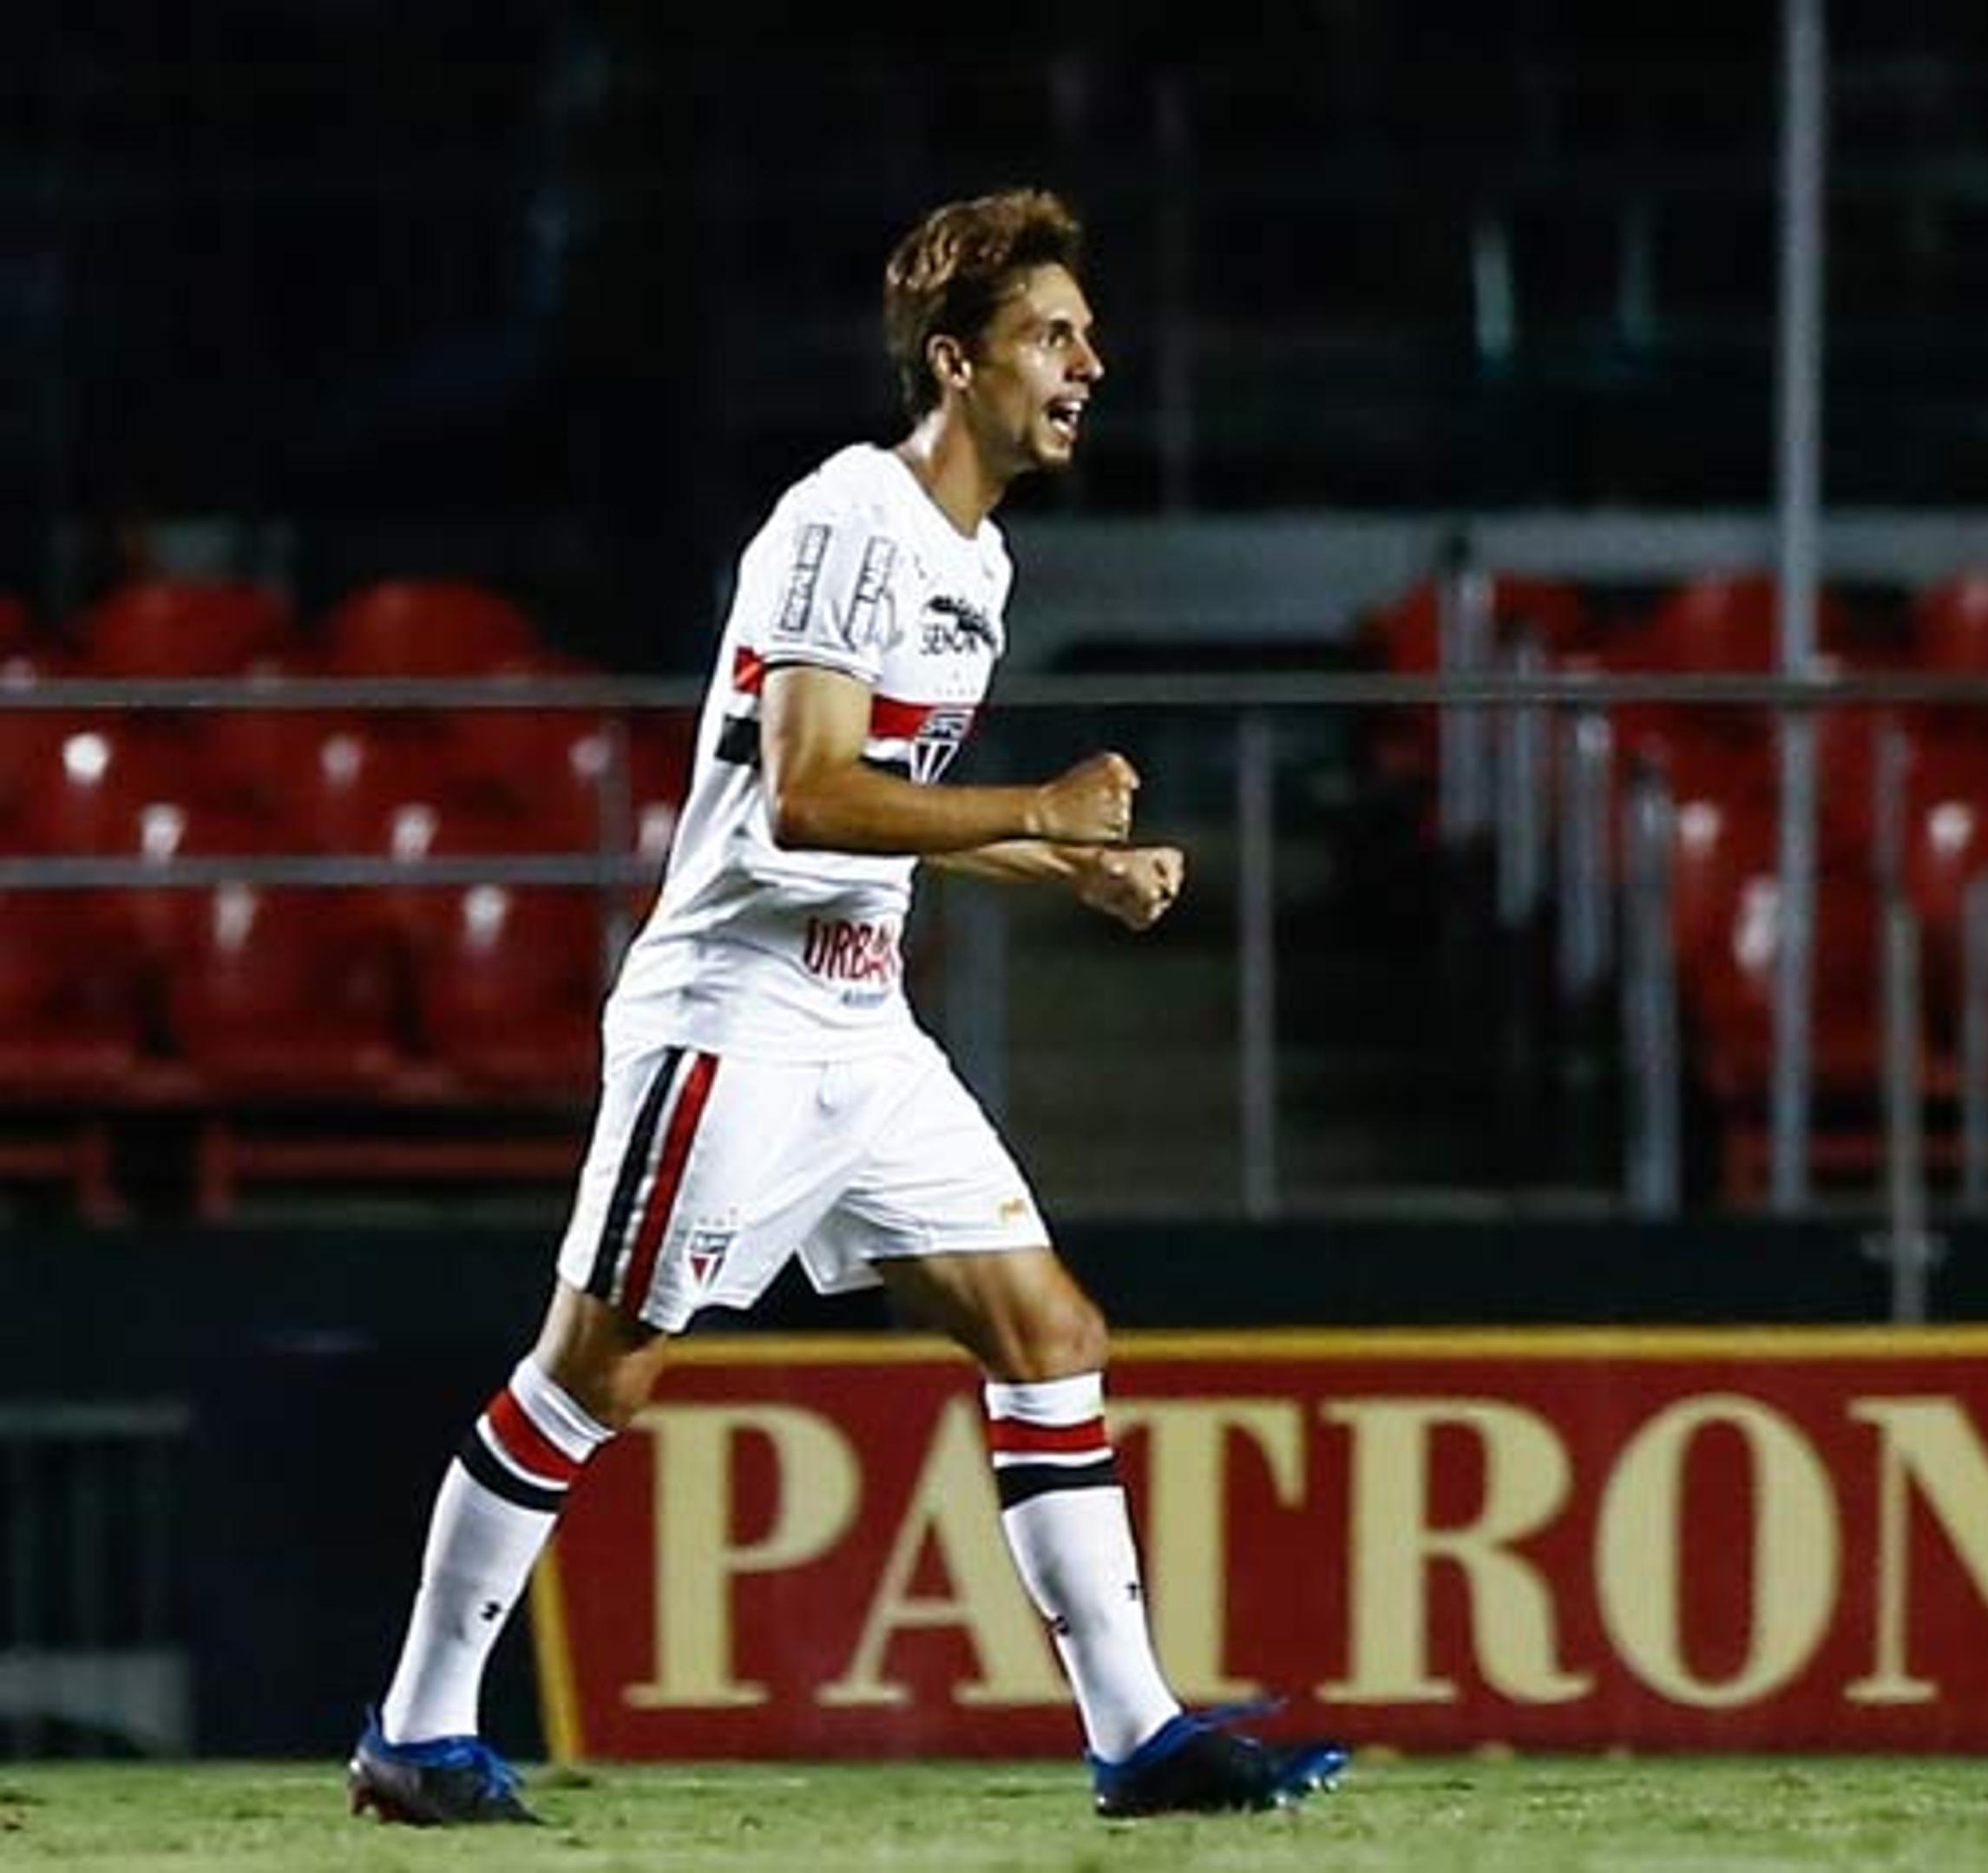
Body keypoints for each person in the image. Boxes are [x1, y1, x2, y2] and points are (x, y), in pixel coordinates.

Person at [346, 188, 1345, 1826]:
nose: (1090, 360)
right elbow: (810, 801)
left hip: (863, 1026)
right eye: (1051, 335)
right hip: (731, 1016)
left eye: (1088, 333)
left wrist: (1057, 863)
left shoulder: (980, 558)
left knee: (1052, 1332)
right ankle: (416, 1723)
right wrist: (1042, 802)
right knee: (595, 1371)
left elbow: (890, 807)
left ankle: (1141, 1733)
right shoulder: (846, 520)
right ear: (957, 364)